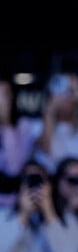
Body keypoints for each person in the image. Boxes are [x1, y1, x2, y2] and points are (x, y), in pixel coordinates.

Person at [34, 73, 78, 174]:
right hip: (53, 182)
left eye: (70, 92)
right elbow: (46, 147)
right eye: (63, 91)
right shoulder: (37, 125)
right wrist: (52, 107)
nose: (67, 97)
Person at [0, 77, 43, 209]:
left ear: (12, 96)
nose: (1, 100)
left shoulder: (24, 126)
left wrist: (5, 122)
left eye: (4, 94)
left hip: (19, 203)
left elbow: (14, 169)